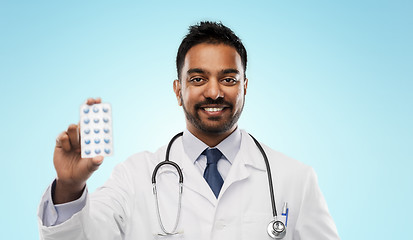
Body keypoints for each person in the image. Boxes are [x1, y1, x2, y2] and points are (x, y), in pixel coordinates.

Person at [38, 21, 340, 239]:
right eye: (197, 79)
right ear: (178, 90)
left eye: (229, 79)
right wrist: (69, 188)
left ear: (245, 87)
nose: (213, 92)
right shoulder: (134, 178)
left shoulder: (295, 179)